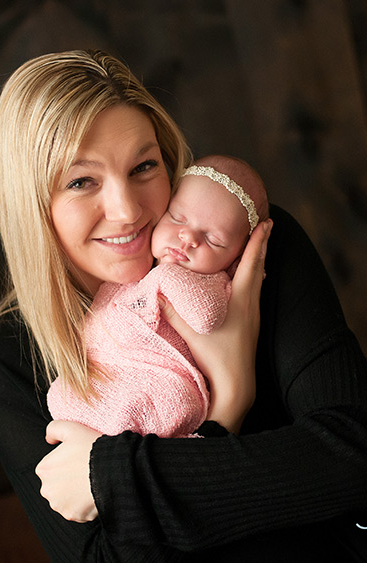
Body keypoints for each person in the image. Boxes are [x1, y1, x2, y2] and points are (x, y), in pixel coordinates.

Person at [0, 49, 367, 563]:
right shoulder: (6, 360)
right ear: (32, 203)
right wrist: (226, 405)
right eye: (82, 182)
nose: (128, 210)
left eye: (143, 167)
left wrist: (115, 478)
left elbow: (361, 457)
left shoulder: (247, 250)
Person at [47, 155, 270, 438]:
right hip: (111, 373)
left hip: (162, 383)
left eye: (213, 240)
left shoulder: (211, 282)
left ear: (236, 259)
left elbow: (206, 317)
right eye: (177, 218)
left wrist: (166, 276)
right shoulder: (136, 272)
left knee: (168, 402)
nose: (188, 238)